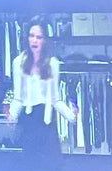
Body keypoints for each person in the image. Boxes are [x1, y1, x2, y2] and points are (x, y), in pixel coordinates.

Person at [5, 21, 70, 162]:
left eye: (39, 37)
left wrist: (71, 116)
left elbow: (55, 99)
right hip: (28, 120)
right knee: (31, 163)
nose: (34, 40)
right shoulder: (18, 62)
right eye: (31, 36)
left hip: (46, 119)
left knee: (52, 164)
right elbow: (18, 97)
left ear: (45, 40)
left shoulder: (52, 63)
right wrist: (12, 115)